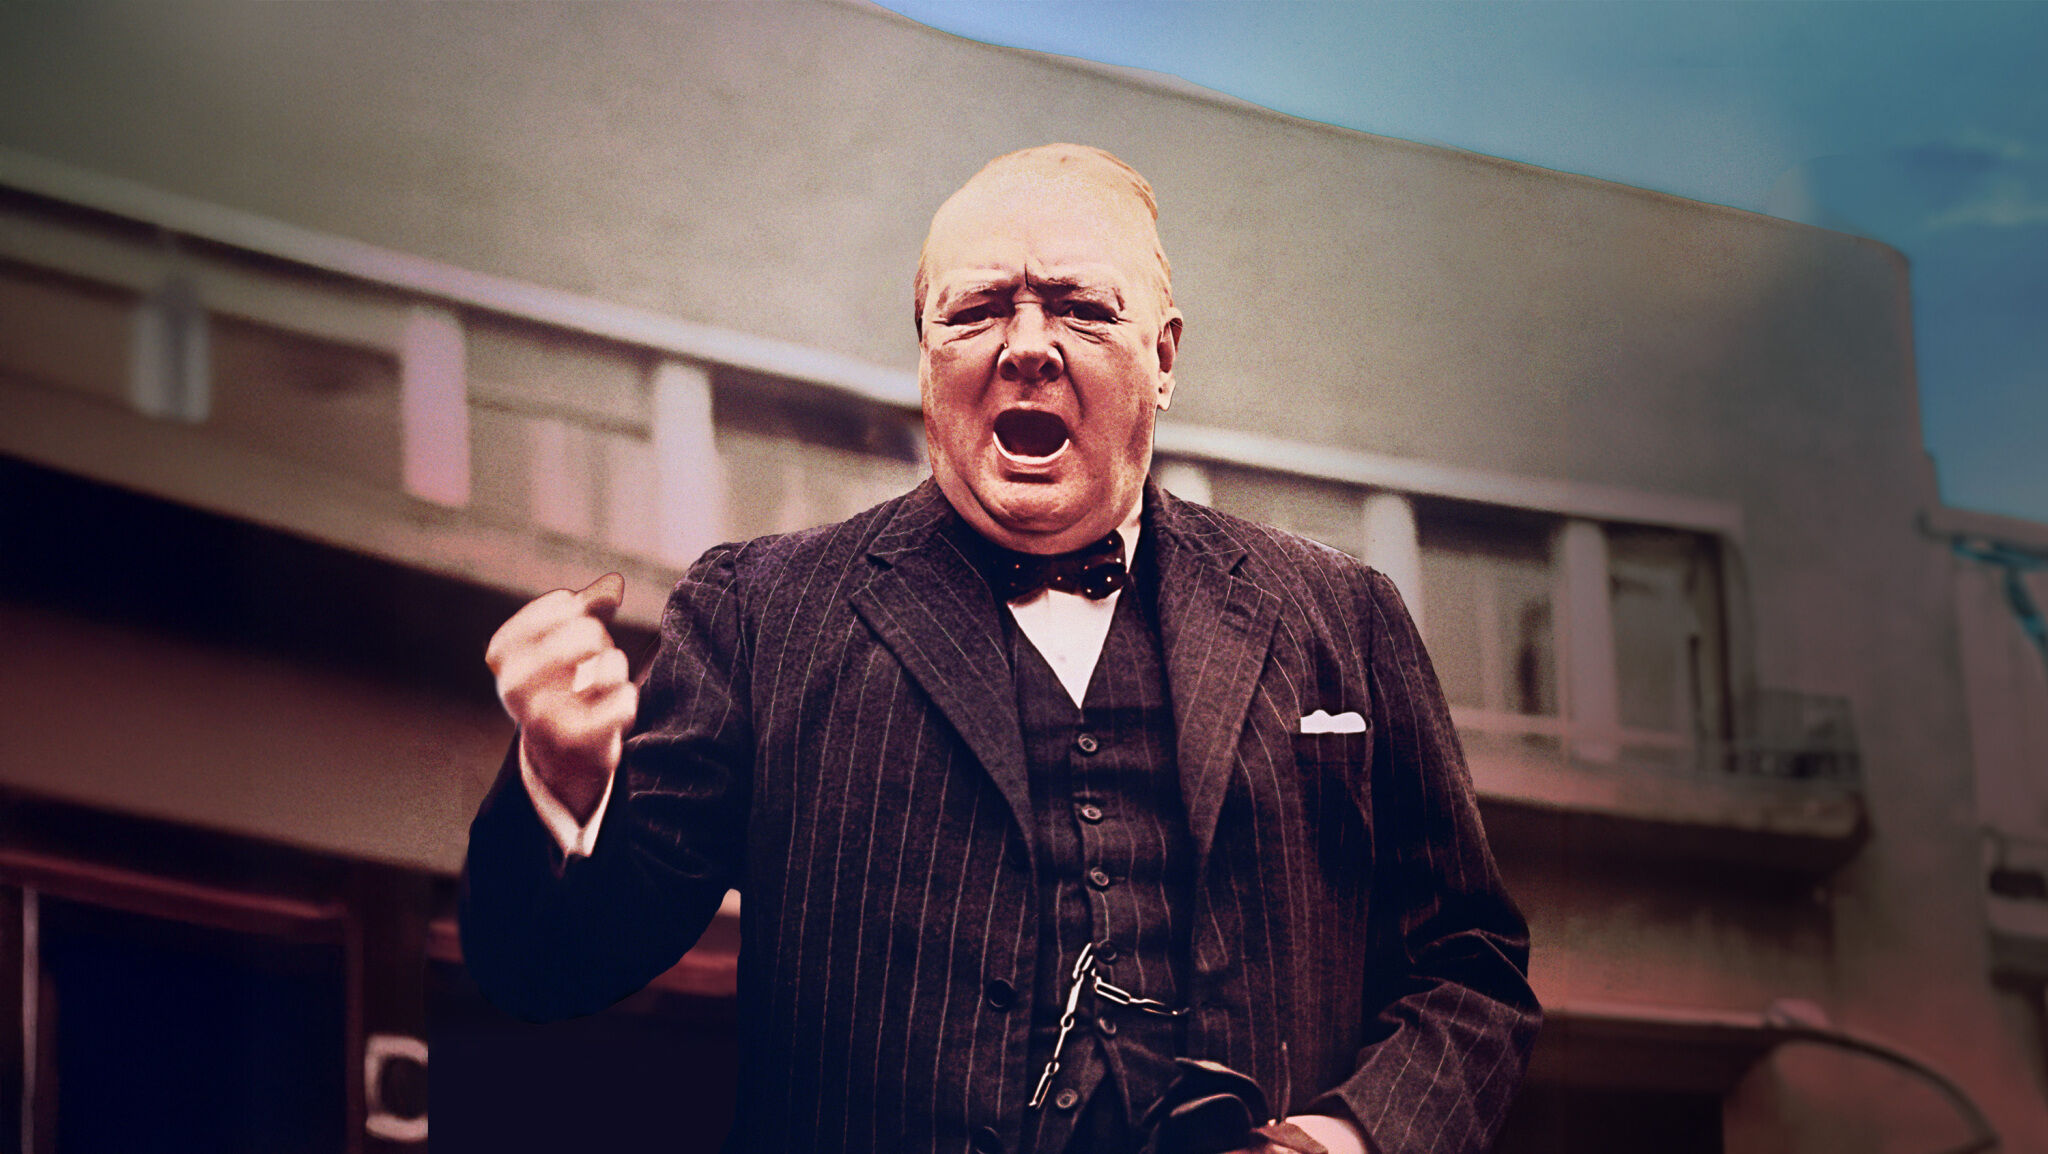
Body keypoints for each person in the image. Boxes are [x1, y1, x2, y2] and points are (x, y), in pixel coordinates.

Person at [462, 144, 1539, 1154]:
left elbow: (1470, 966)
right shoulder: (758, 613)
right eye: (976, 309)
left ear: (1163, 358)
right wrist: (557, 783)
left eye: (1081, 307)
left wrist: (1339, 1143)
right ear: (925, 358)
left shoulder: (1342, 615)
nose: (1026, 343)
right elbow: (548, 968)